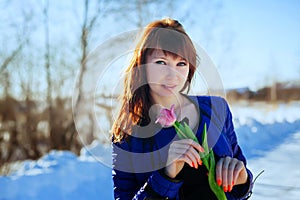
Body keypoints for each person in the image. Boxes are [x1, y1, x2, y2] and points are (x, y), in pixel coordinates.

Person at [111, 18, 253, 200]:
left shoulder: (217, 108)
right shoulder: (127, 134)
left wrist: (243, 180)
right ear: (142, 64)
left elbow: (240, 184)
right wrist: (166, 175)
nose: (173, 75)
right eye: (161, 62)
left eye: (181, 64)